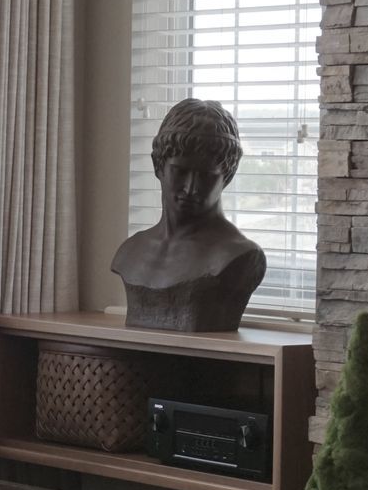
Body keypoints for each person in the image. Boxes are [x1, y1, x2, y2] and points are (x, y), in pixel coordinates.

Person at [111, 99, 266, 331]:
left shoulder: (239, 257)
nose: (191, 188)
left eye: (206, 176)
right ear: (158, 166)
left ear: (228, 176)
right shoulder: (130, 251)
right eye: (180, 172)